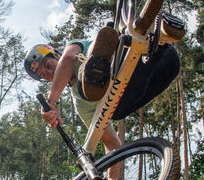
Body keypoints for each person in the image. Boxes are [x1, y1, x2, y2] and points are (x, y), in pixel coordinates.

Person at [24, 19, 185, 155]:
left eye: (48, 65)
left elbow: (68, 58)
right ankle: (158, 39)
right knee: (114, 112)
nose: (50, 73)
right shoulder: (80, 105)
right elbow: (111, 142)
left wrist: (52, 102)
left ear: (56, 55)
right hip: (164, 69)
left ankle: (100, 60)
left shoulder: (73, 50)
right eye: (44, 75)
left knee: (84, 75)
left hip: (141, 54)